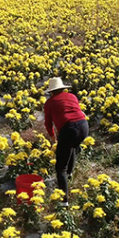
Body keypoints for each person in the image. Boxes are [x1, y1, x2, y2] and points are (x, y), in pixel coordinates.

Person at [43, 77, 89, 207]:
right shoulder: (72, 97)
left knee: (60, 167)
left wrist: (54, 140)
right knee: (72, 146)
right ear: (63, 89)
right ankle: (69, 175)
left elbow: (48, 124)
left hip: (69, 129)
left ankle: (64, 202)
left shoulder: (49, 103)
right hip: (84, 126)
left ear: (51, 92)